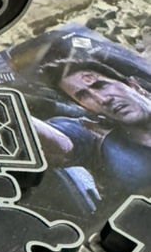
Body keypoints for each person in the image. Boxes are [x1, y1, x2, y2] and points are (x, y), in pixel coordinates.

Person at [33, 57, 151, 198]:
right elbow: (61, 142)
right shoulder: (99, 139)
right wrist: (14, 110)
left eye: (101, 86)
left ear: (134, 87)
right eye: (84, 96)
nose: (103, 100)